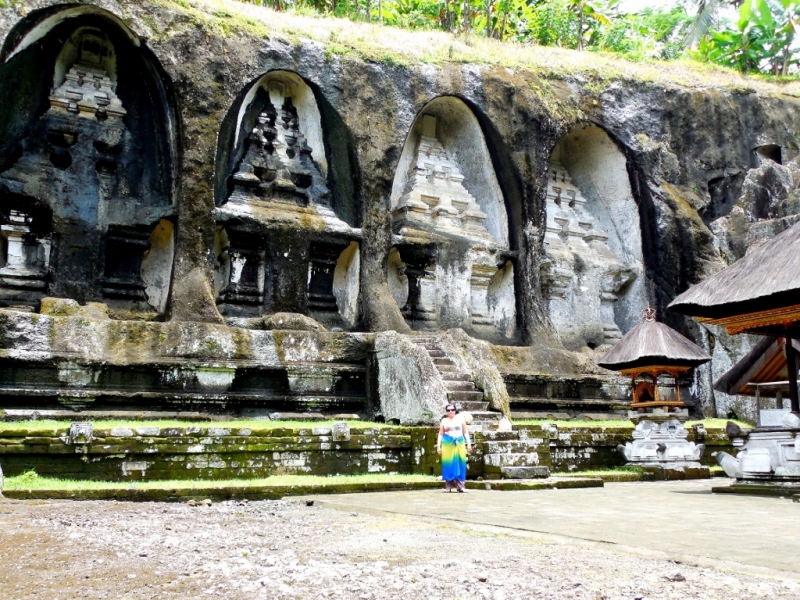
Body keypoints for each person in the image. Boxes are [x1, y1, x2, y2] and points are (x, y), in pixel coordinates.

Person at [436, 403, 472, 492]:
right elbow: (441, 434)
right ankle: (448, 486)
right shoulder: (444, 421)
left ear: (455, 410)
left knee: (460, 462)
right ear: (446, 412)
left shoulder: (460, 419)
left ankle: (461, 486)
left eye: (452, 409)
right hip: (448, 443)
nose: (451, 411)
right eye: (448, 410)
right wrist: (438, 446)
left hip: (459, 442)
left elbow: (465, 432)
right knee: (448, 463)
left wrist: (469, 443)